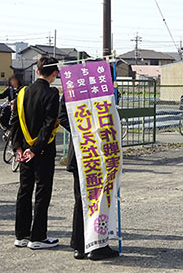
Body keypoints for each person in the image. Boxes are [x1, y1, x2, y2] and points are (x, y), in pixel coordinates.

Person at [59, 96, 120, 260]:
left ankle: (96, 245)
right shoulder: (74, 88)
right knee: (83, 201)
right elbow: (62, 115)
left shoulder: (100, 87)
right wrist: (83, 132)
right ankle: (81, 245)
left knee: (100, 200)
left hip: (102, 155)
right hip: (84, 154)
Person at [11, 56, 60, 249]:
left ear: (38, 71)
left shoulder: (23, 93)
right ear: (54, 73)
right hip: (43, 151)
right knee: (42, 192)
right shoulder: (52, 93)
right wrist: (35, 148)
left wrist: (19, 148)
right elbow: (48, 125)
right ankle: (38, 237)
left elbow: (14, 122)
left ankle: (21, 235)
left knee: (24, 190)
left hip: (23, 151)